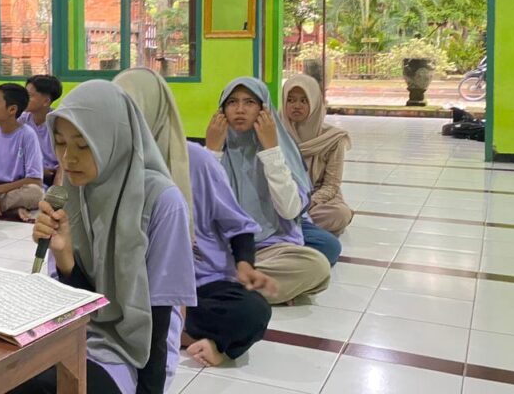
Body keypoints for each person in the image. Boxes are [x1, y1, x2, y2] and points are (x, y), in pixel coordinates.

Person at [20, 80, 197, 394]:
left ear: (113, 138)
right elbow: (74, 305)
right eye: (60, 143)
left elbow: (158, 316)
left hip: (133, 349)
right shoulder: (70, 192)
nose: (68, 158)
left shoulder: (161, 201)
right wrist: (63, 257)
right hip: (77, 330)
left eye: (83, 145)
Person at [113, 68, 273, 367]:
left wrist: (244, 265)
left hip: (200, 283)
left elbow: (237, 224)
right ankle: (182, 333)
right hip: (135, 284)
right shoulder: (109, 162)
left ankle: (173, 330)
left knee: (252, 310)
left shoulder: (194, 160)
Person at [205, 77, 330, 305]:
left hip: (269, 248)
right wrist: (212, 153)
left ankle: (220, 286)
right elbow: (199, 213)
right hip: (222, 248)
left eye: (249, 102)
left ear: (264, 110)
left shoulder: (280, 150)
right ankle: (251, 289)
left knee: (316, 265)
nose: (240, 109)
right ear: (221, 110)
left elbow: (289, 210)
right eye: (232, 102)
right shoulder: (213, 151)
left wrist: (271, 152)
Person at [281, 74, 353, 236]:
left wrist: (307, 203)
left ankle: (288, 227)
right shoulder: (274, 132)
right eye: (290, 100)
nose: (296, 106)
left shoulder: (332, 138)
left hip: (318, 199)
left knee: (338, 214)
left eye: (304, 100)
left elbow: (331, 185)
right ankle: (299, 227)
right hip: (283, 196)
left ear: (314, 102)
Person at [0, 83, 45, 221]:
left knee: (35, 193)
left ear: (12, 109)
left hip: (15, 189)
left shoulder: (27, 135)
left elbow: (35, 180)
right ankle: (10, 210)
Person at [21, 75, 63, 186]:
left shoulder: (59, 123)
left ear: (46, 101)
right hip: (30, 174)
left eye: (29, 96)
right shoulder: (22, 120)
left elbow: (64, 160)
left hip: (56, 175)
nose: (23, 99)